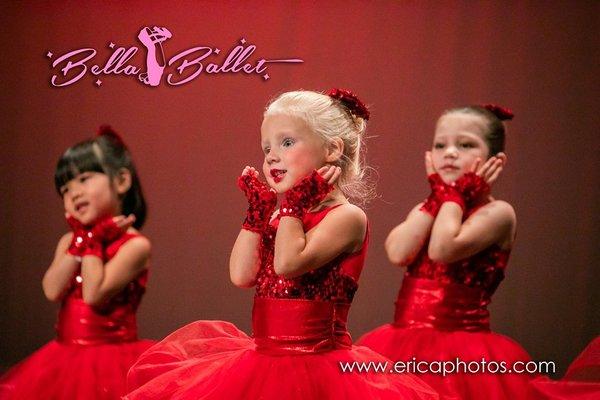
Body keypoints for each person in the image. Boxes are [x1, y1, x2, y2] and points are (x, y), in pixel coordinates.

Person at [125, 89, 438, 399]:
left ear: (331, 149)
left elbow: (288, 264)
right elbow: (241, 275)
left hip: (320, 365)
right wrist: (257, 215)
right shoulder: (284, 216)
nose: (272, 155)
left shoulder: (347, 217)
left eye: (287, 143)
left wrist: (291, 206)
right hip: (262, 357)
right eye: (266, 148)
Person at [358, 105, 533, 399]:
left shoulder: (499, 213)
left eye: (465, 145)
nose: (449, 152)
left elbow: (443, 248)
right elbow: (398, 252)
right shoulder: (430, 207)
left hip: (463, 353)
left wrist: (451, 196)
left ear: (494, 160)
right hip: (401, 341)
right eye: (440, 145)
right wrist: (441, 198)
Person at [0, 126, 154, 399]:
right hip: (63, 354)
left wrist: (92, 241)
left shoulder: (135, 245)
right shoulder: (70, 241)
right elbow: (52, 289)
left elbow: (93, 293)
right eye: (65, 188)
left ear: (121, 181)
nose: (73, 193)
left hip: (113, 361)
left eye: (84, 179)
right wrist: (83, 241)